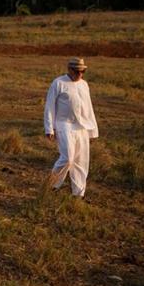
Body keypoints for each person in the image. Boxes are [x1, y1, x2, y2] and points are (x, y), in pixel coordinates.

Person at [44, 57, 99, 199]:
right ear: (69, 70)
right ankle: (52, 185)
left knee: (81, 160)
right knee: (68, 158)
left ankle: (78, 195)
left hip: (82, 127)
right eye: (77, 71)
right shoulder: (58, 83)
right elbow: (49, 106)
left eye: (82, 72)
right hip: (63, 124)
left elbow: (88, 107)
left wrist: (93, 131)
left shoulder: (84, 85)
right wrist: (49, 128)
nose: (79, 74)